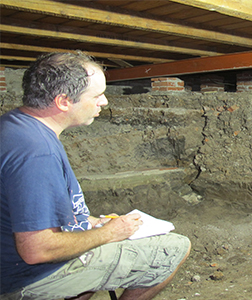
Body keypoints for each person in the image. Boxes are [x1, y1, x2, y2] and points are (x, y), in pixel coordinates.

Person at [0, 52, 191, 300]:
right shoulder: (38, 152)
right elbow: (37, 250)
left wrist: (90, 222)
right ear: (64, 101)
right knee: (175, 248)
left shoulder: (16, 124)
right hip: (28, 277)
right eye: (97, 95)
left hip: (11, 264)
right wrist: (109, 233)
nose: (104, 102)